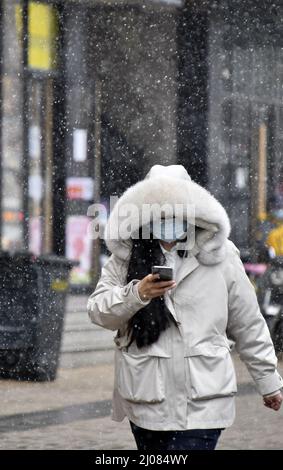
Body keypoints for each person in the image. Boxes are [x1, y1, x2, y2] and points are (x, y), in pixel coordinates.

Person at [87, 164, 283, 451]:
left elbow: (248, 323)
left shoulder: (221, 254)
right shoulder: (126, 255)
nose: (167, 219)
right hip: (146, 400)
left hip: (205, 400)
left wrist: (268, 380)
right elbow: (98, 311)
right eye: (159, 211)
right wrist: (136, 294)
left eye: (175, 210)